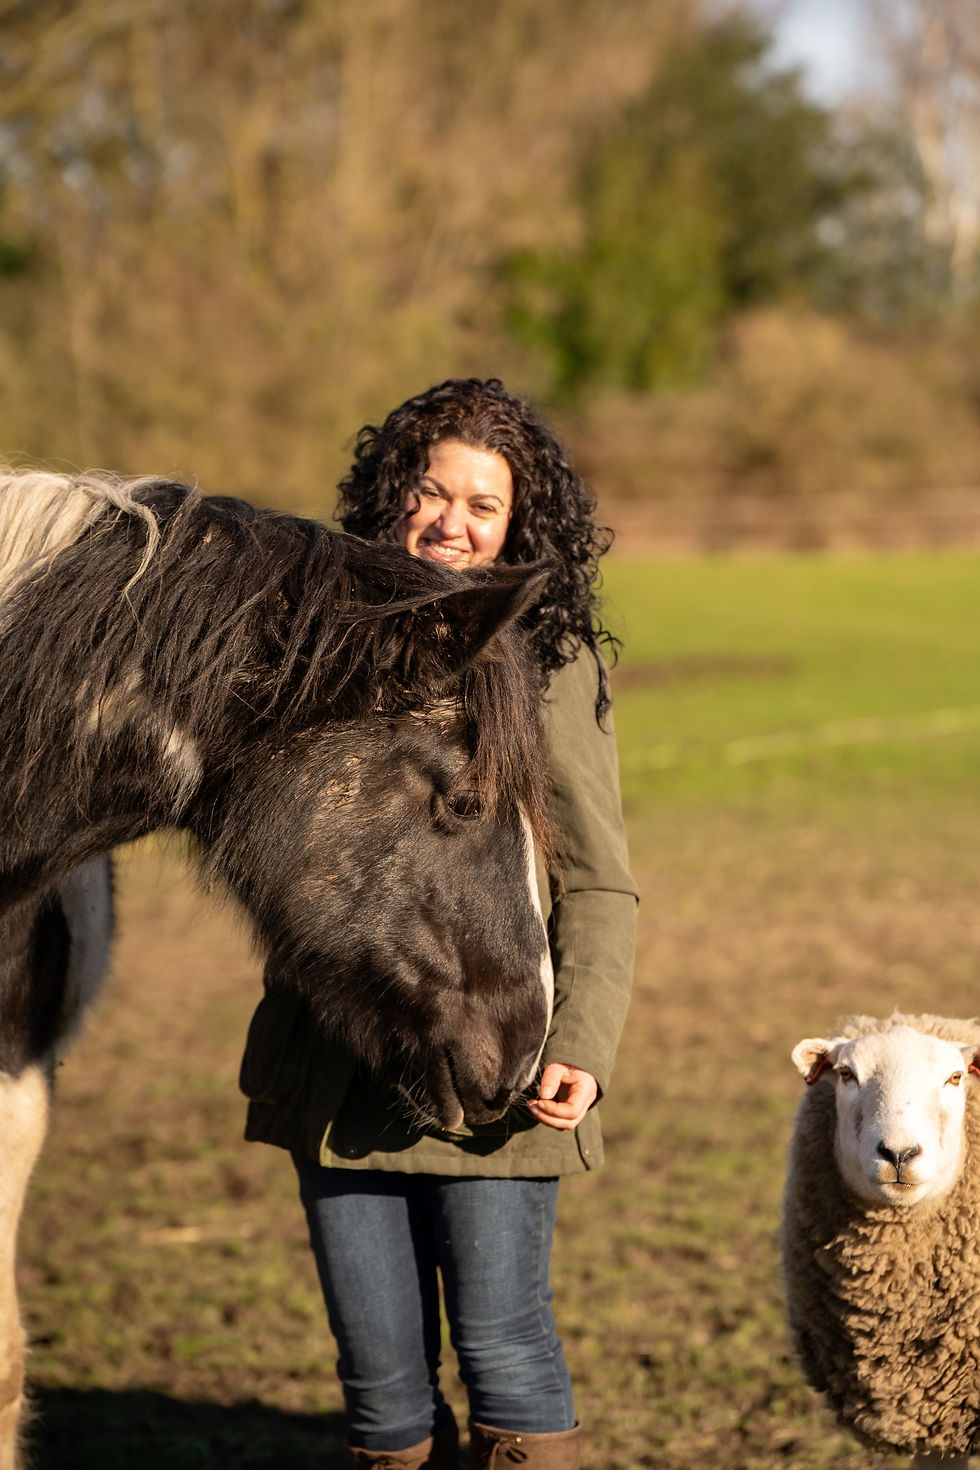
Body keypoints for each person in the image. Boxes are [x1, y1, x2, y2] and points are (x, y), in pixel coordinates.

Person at [240, 378, 637, 1470]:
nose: (450, 523)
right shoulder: (312, 651)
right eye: (429, 491)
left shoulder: (547, 672)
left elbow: (600, 883)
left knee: (506, 1354)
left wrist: (582, 1051)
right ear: (389, 497)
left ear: (517, 527)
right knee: (378, 1386)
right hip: (342, 1067)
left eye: (482, 505)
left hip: (497, 1061)